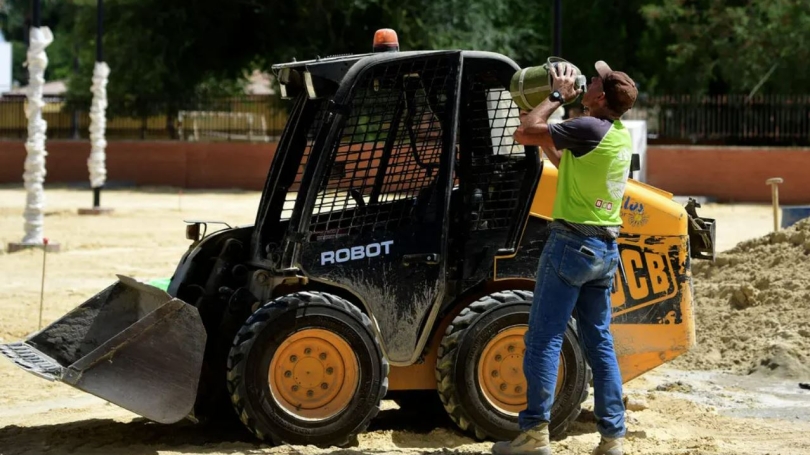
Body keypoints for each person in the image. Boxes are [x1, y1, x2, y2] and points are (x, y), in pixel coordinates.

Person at [492, 61, 638, 455]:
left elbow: (523, 133)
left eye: (590, 82)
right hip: (604, 249)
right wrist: (543, 116)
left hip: (571, 244)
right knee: (600, 343)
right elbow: (562, 161)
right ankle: (613, 438)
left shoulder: (589, 127)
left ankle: (534, 435)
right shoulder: (616, 135)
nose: (584, 84)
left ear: (600, 97)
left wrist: (555, 96)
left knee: (543, 338)